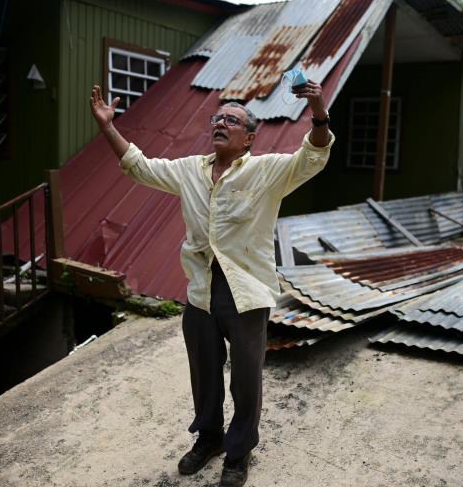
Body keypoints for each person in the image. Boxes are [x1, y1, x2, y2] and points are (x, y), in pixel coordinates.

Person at [89, 80, 333, 487]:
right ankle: (210, 438)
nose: (221, 122)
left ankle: (238, 453)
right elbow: (141, 167)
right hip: (201, 288)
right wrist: (108, 128)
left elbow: (313, 155)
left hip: (246, 290)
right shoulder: (190, 170)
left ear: (249, 137)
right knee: (203, 370)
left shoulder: (266, 170)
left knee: (245, 377)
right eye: (218, 117)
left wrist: (320, 110)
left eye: (232, 120)